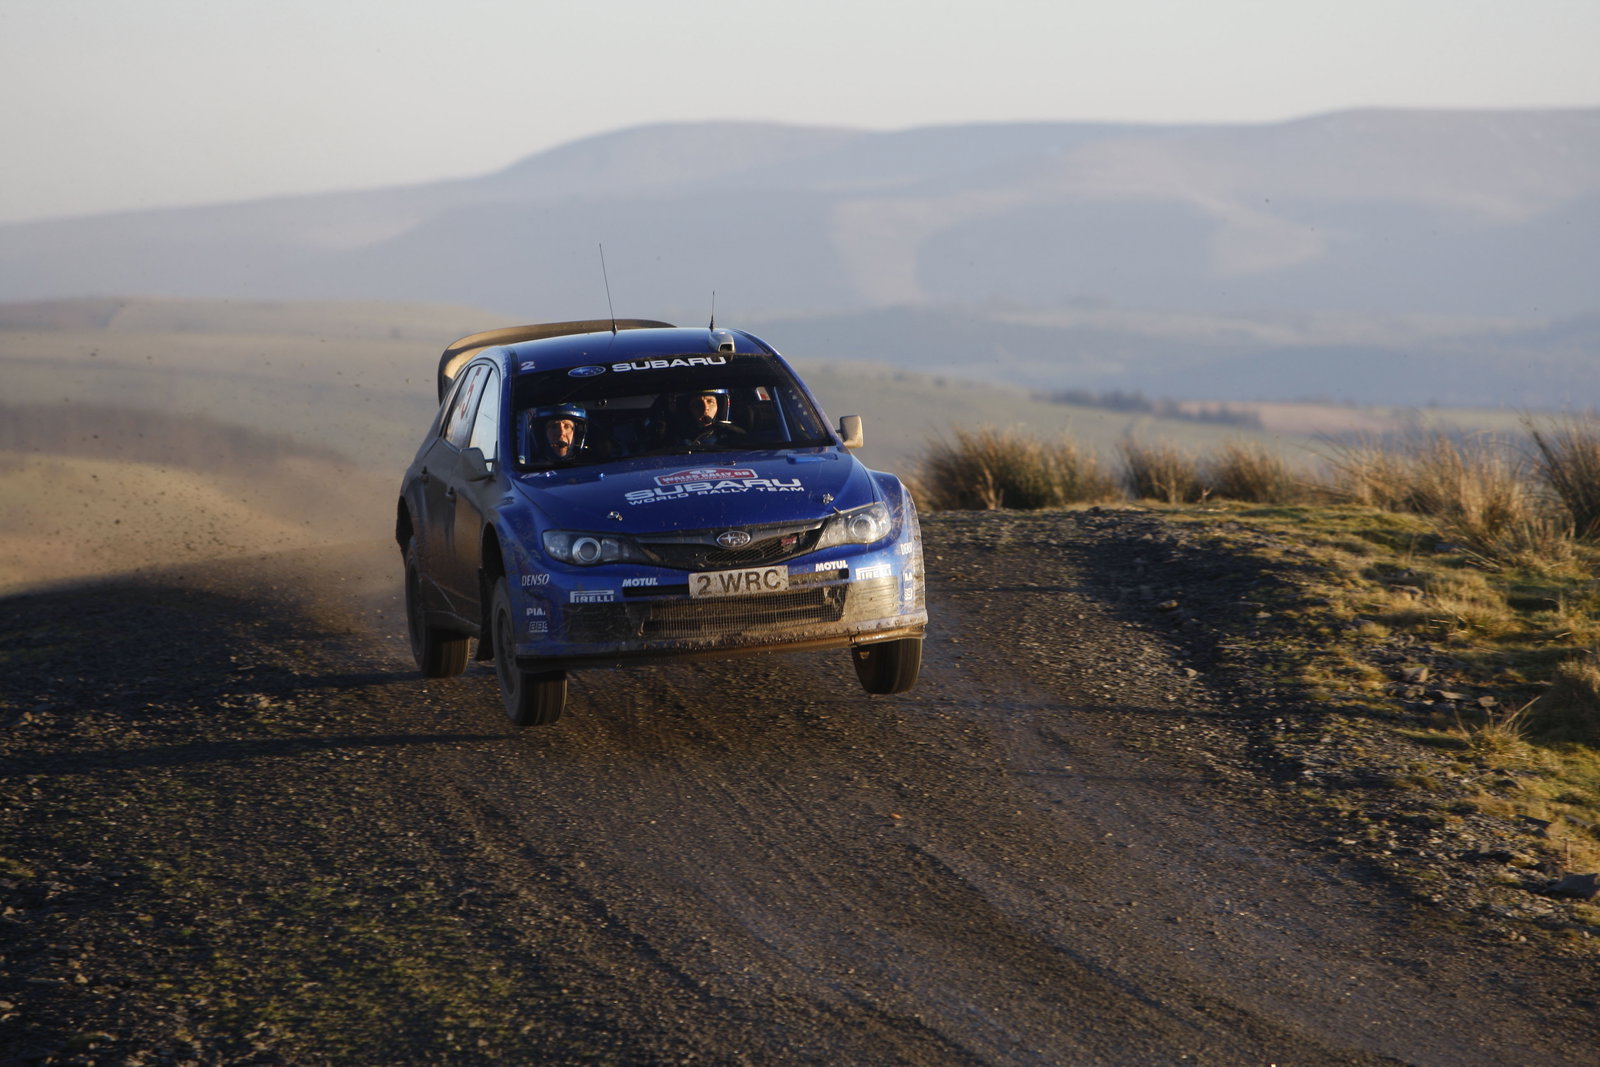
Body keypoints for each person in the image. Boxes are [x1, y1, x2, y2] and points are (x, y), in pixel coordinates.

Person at [674, 388, 745, 446]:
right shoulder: (673, 440)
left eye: (710, 401)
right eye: (698, 403)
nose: (705, 408)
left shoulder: (733, 437)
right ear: (687, 409)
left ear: (719, 406)